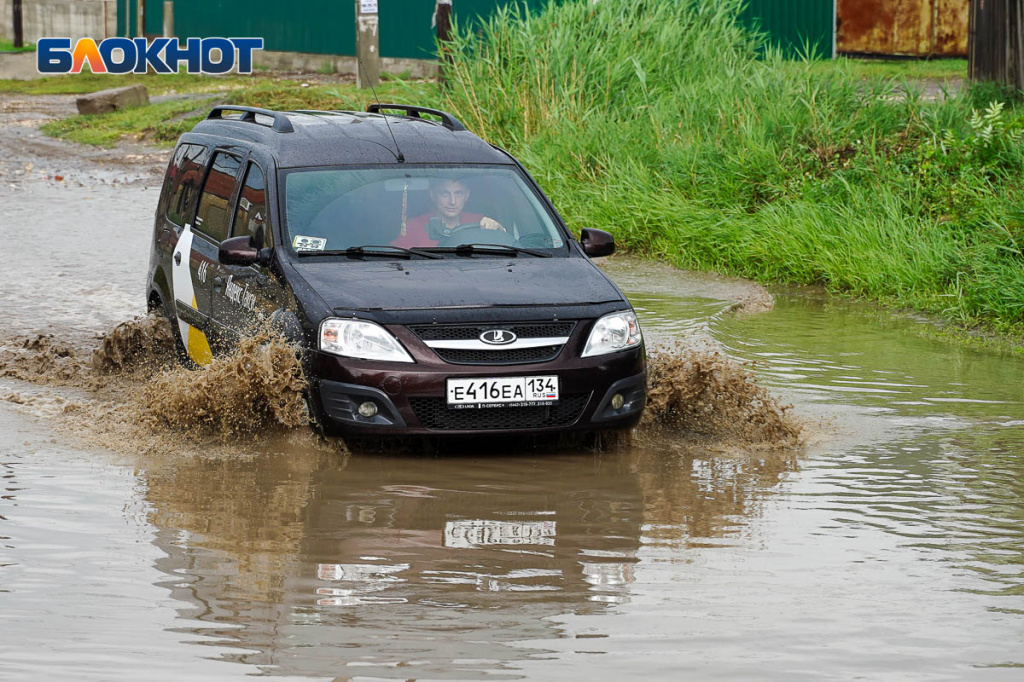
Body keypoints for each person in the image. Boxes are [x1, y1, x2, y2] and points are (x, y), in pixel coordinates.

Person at [392, 178, 504, 248]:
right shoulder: (413, 227)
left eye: (458, 194)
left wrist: (498, 229)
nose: (452, 201)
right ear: (433, 195)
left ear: (467, 195)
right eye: (445, 194)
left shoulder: (480, 222)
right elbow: (399, 262)